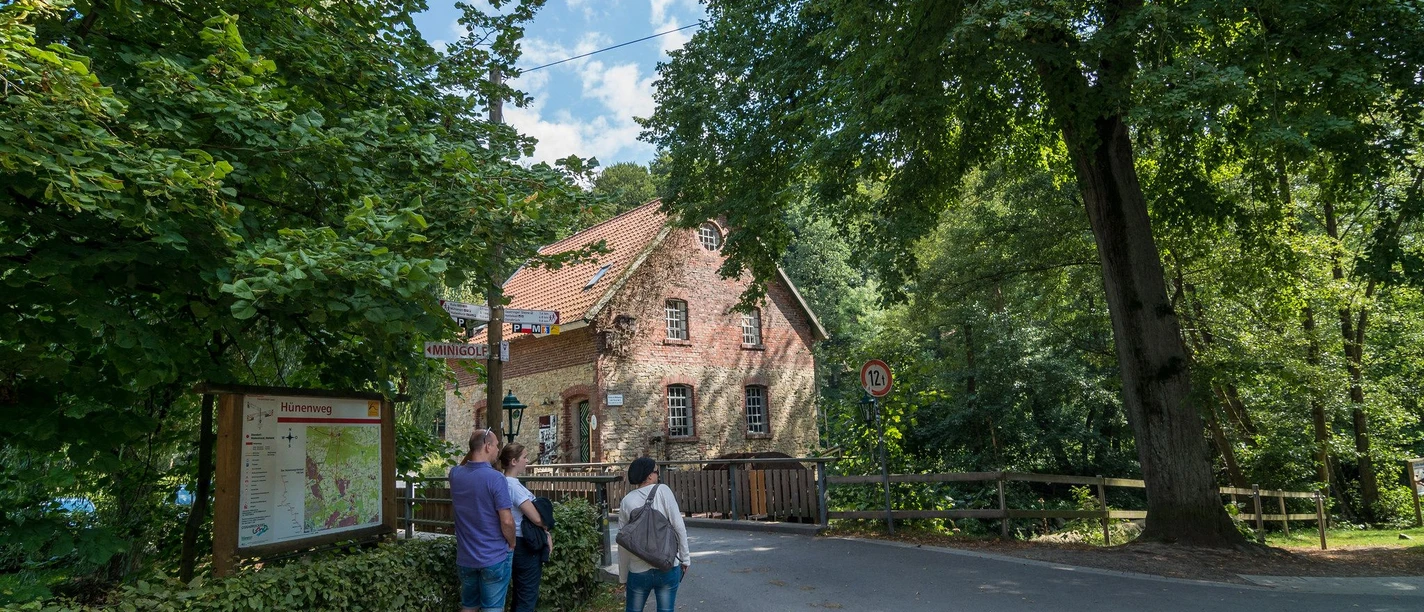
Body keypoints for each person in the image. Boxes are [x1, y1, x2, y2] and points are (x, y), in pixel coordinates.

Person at [450, 429, 515, 612]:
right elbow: (507, 521)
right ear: (487, 446)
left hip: (465, 558)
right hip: (493, 556)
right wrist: (512, 543)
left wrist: (474, 447)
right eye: (495, 445)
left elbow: (465, 463)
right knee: (493, 608)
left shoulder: (455, 475)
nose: (497, 451)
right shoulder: (496, 478)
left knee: (469, 606)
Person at [619, 457, 690, 612]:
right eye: (656, 471)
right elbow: (679, 526)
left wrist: (623, 576)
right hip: (667, 566)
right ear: (650, 476)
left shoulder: (626, 501)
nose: (658, 475)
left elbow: (623, 543)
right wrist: (685, 558)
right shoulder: (663, 491)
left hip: (638, 570)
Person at [498, 443, 553, 612]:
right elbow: (535, 518)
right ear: (514, 461)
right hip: (525, 544)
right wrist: (547, 529)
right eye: (524, 457)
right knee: (527, 595)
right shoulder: (513, 485)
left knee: (519, 595)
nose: (527, 461)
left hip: (513, 542)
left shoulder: (501, 481)